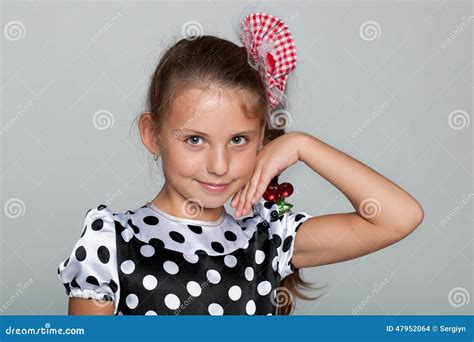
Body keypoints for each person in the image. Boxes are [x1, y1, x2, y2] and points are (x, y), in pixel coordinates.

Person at [57, 12, 424, 316]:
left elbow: (398, 217)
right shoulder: (112, 244)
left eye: (238, 140)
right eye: (194, 140)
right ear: (152, 134)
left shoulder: (270, 241)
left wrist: (303, 145)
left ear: (262, 138)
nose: (219, 165)